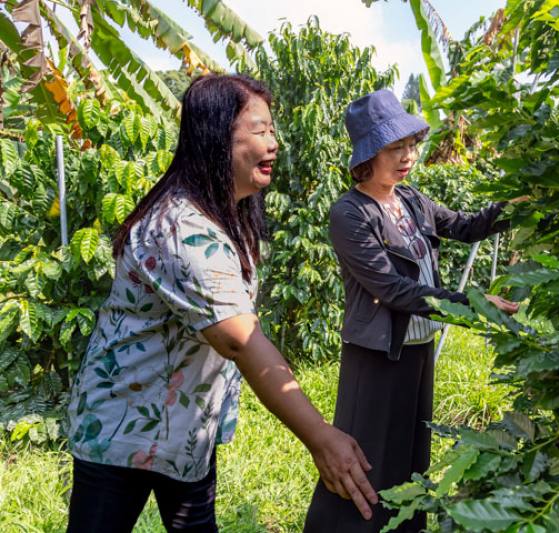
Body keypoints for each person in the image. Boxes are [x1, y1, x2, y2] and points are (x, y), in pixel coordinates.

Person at [65, 74, 377, 532]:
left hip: (186, 429)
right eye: (258, 130)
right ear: (215, 138)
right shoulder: (180, 227)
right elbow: (238, 339)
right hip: (124, 427)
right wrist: (321, 437)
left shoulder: (227, 214)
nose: (273, 143)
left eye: (272, 129)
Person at [304, 89, 519, 533]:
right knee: (366, 460)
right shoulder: (351, 213)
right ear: (368, 155)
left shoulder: (412, 200)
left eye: (411, 145)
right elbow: (392, 289)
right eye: (394, 148)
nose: (408, 156)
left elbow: (467, 225)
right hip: (376, 356)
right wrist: (474, 305)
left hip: (417, 351)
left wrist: (516, 206)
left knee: (411, 453)